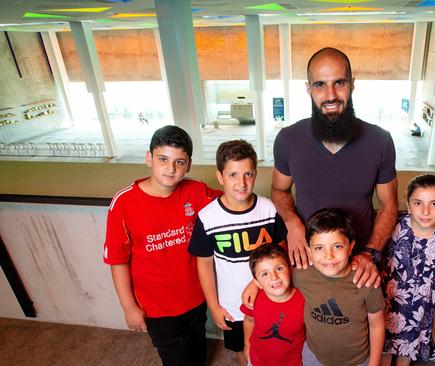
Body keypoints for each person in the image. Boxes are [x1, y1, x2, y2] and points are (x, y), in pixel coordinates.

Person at [272, 47, 398, 286]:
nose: (330, 95)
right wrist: (293, 225)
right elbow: (279, 190)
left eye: (339, 82)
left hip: (359, 267)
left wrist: (370, 253)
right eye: (320, 85)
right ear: (308, 89)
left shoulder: (380, 140)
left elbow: (389, 205)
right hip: (306, 263)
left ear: (352, 84)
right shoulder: (288, 139)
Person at [103, 125, 221, 366]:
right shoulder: (124, 204)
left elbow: (231, 201)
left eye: (179, 162)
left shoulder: (197, 191)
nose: (171, 169)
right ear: (149, 158)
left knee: (198, 351)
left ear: (188, 164)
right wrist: (128, 307)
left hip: (196, 299)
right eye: (163, 159)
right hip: (156, 308)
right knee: (177, 360)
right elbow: (117, 261)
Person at [188, 139, 287, 366]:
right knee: (244, 350)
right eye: (233, 175)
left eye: (248, 174)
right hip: (232, 305)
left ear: (255, 174)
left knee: (276, 346)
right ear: (220, 177)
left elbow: (282, 252)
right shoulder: (208, 217)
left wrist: (259, 283)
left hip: (271, 298)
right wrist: (214, 306)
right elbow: (204, 264)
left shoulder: (269, 209)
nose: (241, 183)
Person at [382, 174, 435, 365]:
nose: (425, 211)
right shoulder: (396, 227)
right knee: (384, 345)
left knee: (407, 348)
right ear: (408, 205)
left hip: (419, 305)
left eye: (434, 203)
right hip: (389, 299)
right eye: (418, 203)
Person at [296, 208, 385, 366]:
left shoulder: (366, 279)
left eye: (337, 246)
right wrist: (255, 284)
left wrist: (375, 363)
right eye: (319, 248)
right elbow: (276, 275)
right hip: (314, 357)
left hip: (358, 361)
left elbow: (377, 324)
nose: (328, 255)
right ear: (309, 251)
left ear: (351, 247)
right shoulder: (301, 274)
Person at [240, 245, 305, 366]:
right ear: (257, 282)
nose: (274, 277)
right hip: (257, 360)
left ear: (290, 269)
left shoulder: (304, 299)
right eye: (265, 274)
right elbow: (249, 321)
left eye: (279, 268)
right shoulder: (254, 299)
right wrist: (247, 345)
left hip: (293, 362)